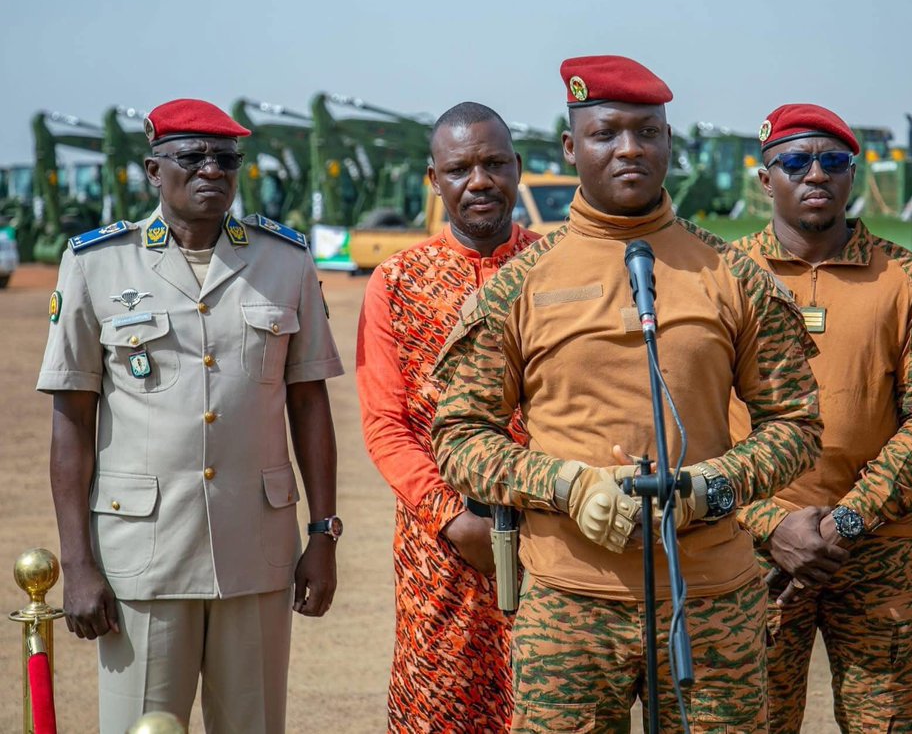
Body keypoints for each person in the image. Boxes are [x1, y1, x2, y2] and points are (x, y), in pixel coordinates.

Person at [431, 55, 823, 733]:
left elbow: (796, 425)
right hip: (569, 607)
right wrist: (564, 485)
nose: (630, 149)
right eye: (606, 133)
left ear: (670, 142)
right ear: (569, 147)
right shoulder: (518, 286)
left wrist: (716, 486)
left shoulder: (732, 276)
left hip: (711, 602)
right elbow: (459, 436)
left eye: (648, 131)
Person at [38, 99, 343, 734]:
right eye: (192, 157)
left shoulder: (284, 261)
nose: (212, 169)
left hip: (254, 550)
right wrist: (78, 563)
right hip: (143, 554)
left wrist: (323, 533)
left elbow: (309, 403)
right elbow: (71, 419)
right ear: (154, 170)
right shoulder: (97, 264)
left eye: (226, 159)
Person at [730, 103, 912, 733]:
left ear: (852, 175)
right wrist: (771, 522)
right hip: (751, 551)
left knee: (885, 724)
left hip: (874, 548)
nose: (816, 175)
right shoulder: (722, 277)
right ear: (765, 179)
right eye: (796, 162)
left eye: (833, 161)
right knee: (753, 721)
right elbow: (691, 422)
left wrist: (850, 520)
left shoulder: (906, 277)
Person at [356, 101, 541, 733]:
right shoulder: (398, 283)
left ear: (518, 168)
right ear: (434, 181)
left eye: (493, 163)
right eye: (460, 168)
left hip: (558, 539)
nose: (480, 180)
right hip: (442, 550)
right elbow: (385, 424)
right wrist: (451, 517)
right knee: (439, 708)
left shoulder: (562, 268)